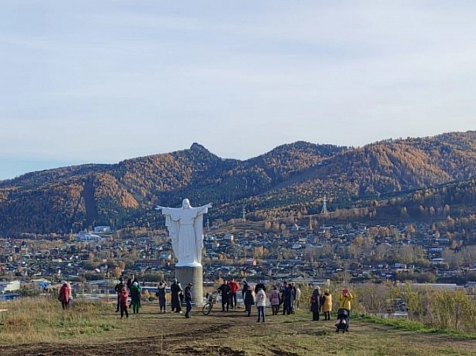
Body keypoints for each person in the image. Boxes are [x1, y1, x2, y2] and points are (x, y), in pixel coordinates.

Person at [156, 199, 212, 267]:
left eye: (186, 203)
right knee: (182, 243)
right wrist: (162, 208)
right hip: (182, 230)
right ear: (182, 204)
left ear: (189, 204)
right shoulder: (179, 211)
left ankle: (191, 258)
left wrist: (206, 206)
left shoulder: (192, 211)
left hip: (190, 229)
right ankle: (183, 258)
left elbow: (199, 209)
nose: (185, 205)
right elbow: (171, 210)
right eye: (184, 203)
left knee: (191, 244)